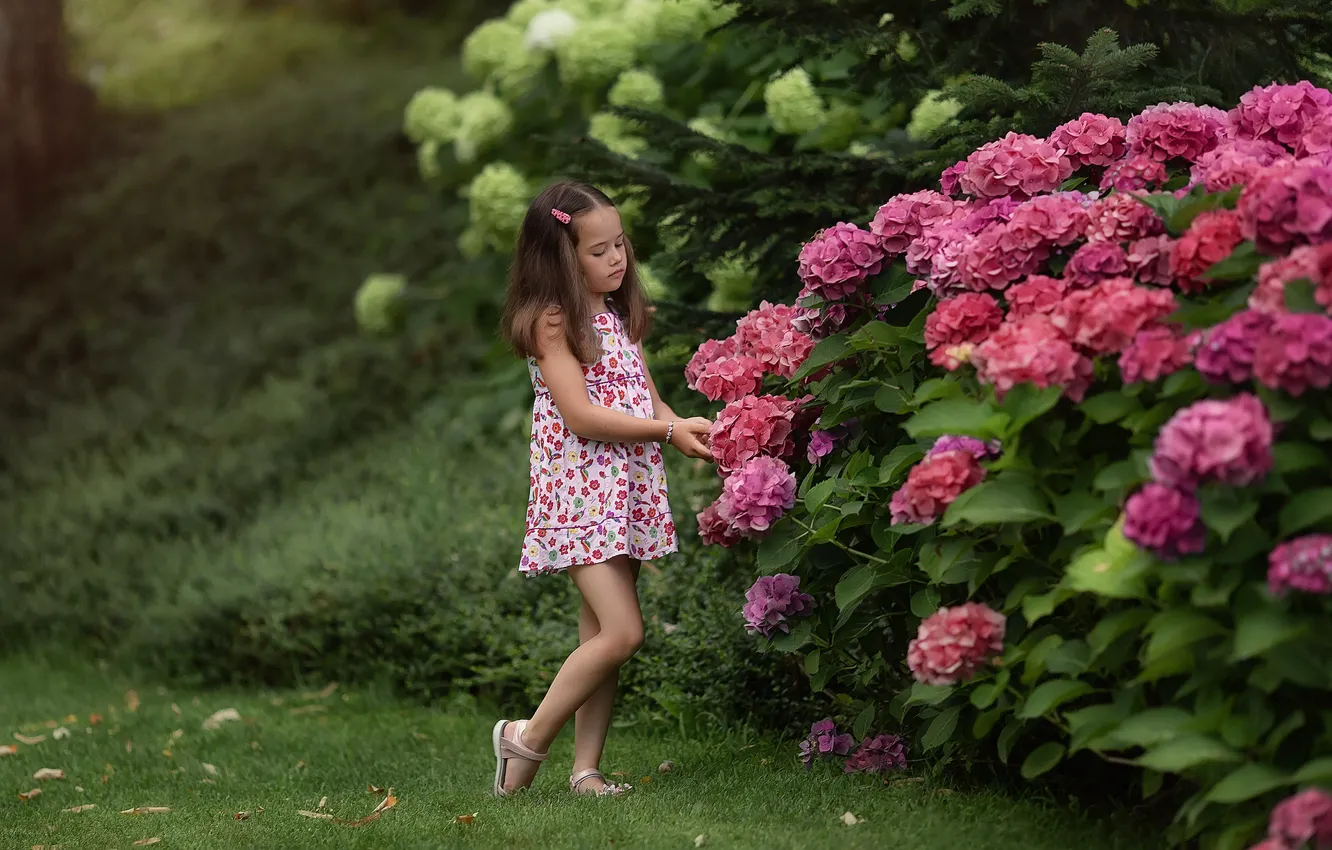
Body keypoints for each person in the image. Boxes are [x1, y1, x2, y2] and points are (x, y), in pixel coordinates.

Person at [492, 181, 714, 798]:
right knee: (624, 631)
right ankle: (524, 739)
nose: (617, 259)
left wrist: (684, 426)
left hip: (626, 492)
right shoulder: (551, 321)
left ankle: (585, 770)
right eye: (598, 250)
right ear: (561, 258)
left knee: (602, 639)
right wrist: (666, 430)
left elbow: (643, 395)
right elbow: (583, 416)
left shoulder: (616, 314)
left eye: (620, 244)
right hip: (580, 495)